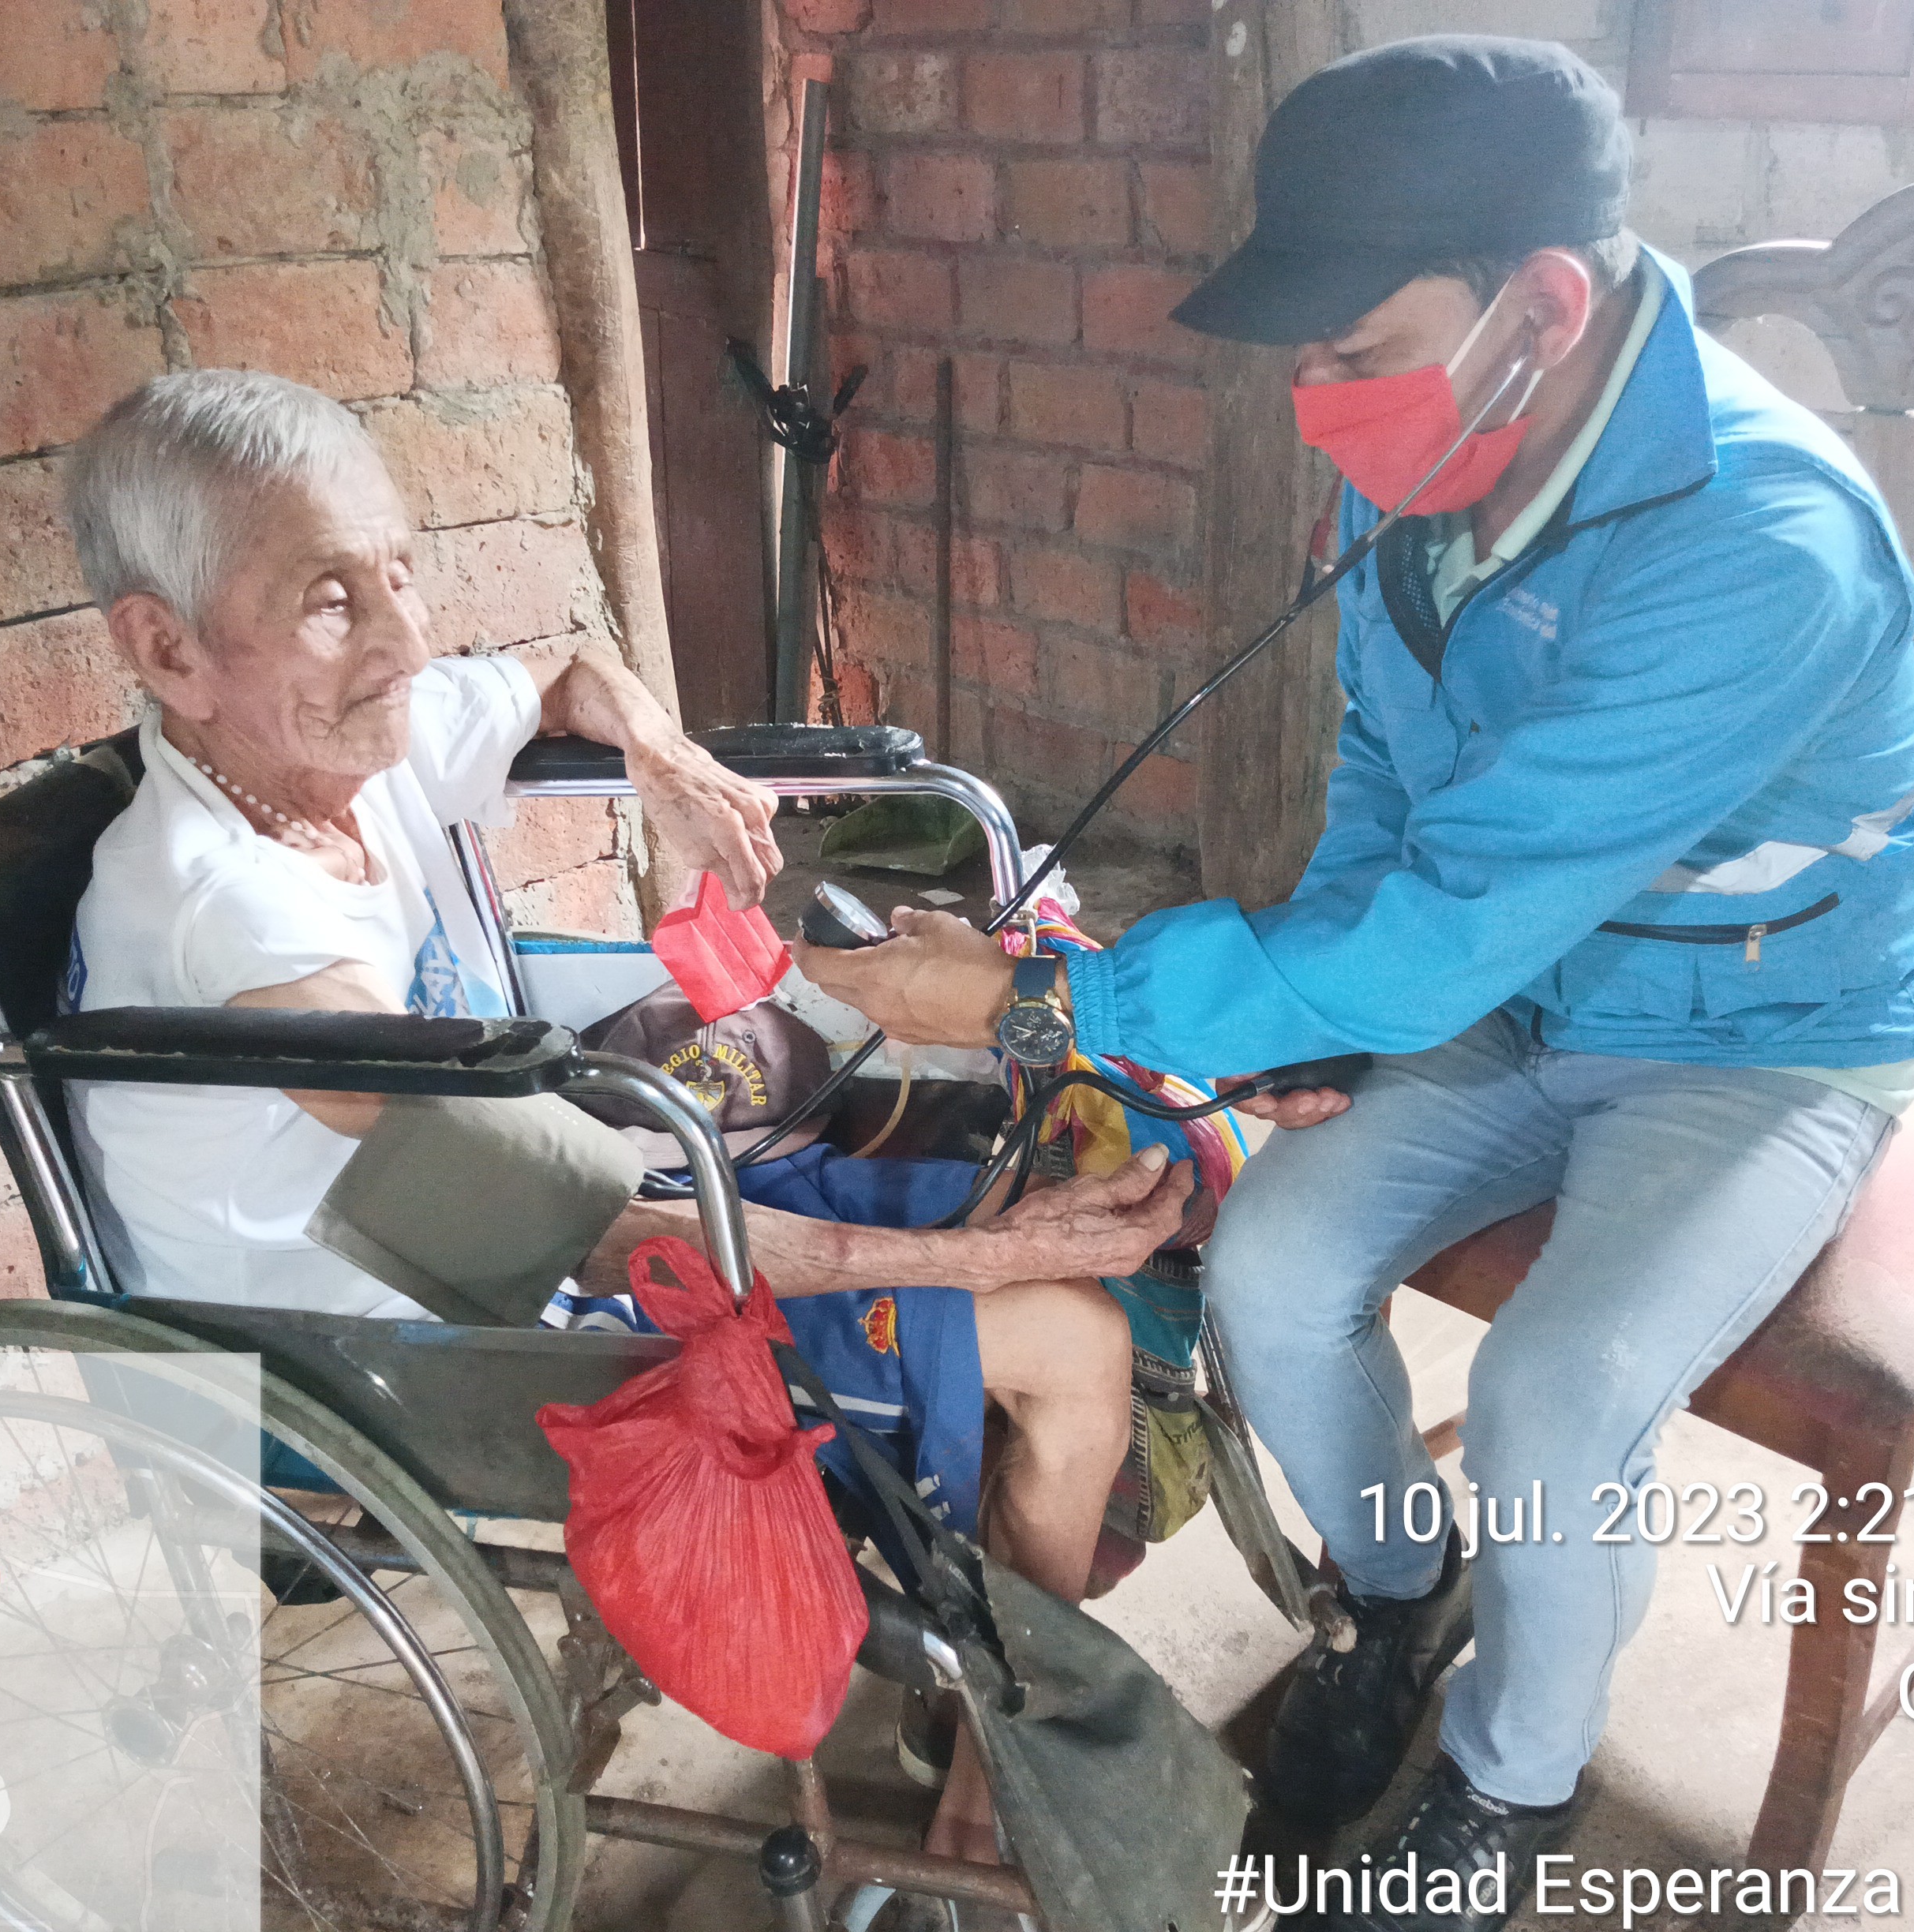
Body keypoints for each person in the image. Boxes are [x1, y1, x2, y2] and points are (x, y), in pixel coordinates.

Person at [797, 35, 1914, 1931]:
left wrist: (1040, 1007)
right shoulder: (1442, 460)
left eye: (1354, 350)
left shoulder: (1765, 547)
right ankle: (1404, 1598)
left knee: (1558, 1398)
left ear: (1543, 306)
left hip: (1759, 1039)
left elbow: (1450, 925)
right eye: (1309, 359)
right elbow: (1388, 806)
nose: (1317, 403)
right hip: (1518, 988)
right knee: (1269, 1271)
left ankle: (1512, 1785)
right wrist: (1318, 1011)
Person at [57, 369, 1190, 1861]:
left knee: (1026, 1165)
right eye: (332, 599)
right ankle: (993, 1789)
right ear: (167, 648)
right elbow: (589, 1222)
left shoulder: (330, 736)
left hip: (521, 1212)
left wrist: (665, 760)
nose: (405, 642)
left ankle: (982, 1653)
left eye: (399, 572)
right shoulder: (239, 923)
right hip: (399, 1336)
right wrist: (984, 1264)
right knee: (1061, 1327)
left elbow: (573, 675)